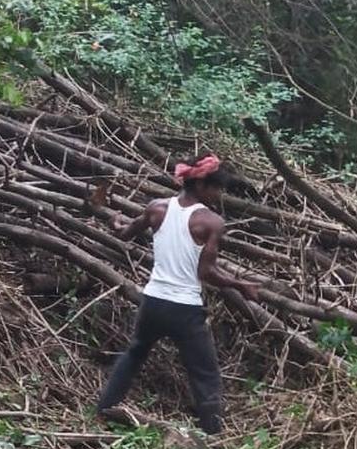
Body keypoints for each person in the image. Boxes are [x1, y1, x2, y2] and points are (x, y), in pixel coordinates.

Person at [95, 155, 259, 434]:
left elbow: (125, 233)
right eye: (217, 188)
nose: (219, 195)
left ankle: (105, 408)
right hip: (185, 309)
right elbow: (206, 273)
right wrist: (240, 285)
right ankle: (214, 434)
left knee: (135, 353)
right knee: (204, 373)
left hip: (153, 302)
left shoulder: (156, 208)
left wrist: (115, 221)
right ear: (202, 185)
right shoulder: (211, 222)